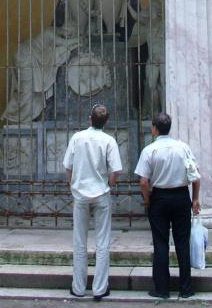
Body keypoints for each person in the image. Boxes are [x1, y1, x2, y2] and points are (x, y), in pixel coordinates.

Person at [134, 112, 201, 300]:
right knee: (182, 243)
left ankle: (162, 289)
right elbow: (195, 176)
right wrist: (195, 199)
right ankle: (186, 288)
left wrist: (147, 200)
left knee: (160, 243)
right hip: (181, 197)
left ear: (154, 128)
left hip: (160, 198)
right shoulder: (183, 148)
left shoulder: (150, 150)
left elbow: (143, 182)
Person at [63, 104, 122, 301]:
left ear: (90, 119)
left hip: (80, 194)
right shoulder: (109, 140)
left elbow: (68, 166)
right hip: (101, 194)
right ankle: (100, 288)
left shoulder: (77, 138)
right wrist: (109, 184)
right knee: (102, 242)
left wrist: (73, 185)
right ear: (105, 122)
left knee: (79, 241)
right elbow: (116, 171)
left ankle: (78, 287)